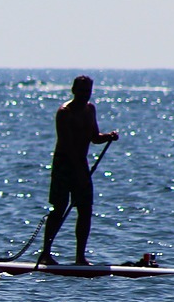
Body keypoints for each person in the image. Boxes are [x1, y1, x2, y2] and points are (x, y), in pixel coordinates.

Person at [37, 75, 119, 266]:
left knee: (85, 210)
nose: (84, 95)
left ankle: (80, 257)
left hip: (80, 165)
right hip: (63, 165)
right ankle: (45, 254)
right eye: (81, 91)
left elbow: (94, 138)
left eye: (88, 91)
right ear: (73, 90)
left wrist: (108, 136)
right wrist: (78, 173)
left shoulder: (90, 109)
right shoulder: (64, 112)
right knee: (59, 209)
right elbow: (67, 145)